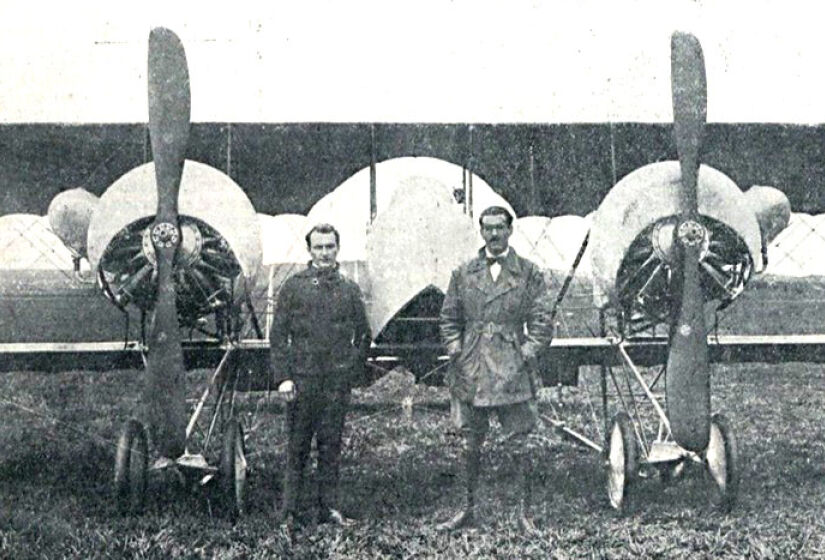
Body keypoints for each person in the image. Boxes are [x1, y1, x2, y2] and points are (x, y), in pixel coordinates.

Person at [438, 205, 552, 534]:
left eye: (499, 227)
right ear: (481, 231)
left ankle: (523, 514)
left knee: (519, 442)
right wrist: (456, 350)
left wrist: (527, 352)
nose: (493, 234)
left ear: (510, 230)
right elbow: (449, 318)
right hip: (471, 365)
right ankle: (465, 509)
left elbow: (542, 320)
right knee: (469, 442)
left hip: (511, 367)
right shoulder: (463, 272)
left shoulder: (529, 272)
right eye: (487, 228)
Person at [270, 223, 371, 534]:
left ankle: (329, 508)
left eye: (330, 247)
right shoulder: (294, 287)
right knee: (297, 447)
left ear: (337, 249)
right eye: (319, 247)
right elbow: (278, 336)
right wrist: (284, 378)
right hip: (302, 381)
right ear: (309, 250)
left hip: (335, 384)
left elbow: (364, 335)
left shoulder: (349, 290)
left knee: (331, 446)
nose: (325, 253)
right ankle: (290, 512)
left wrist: (350, 369)